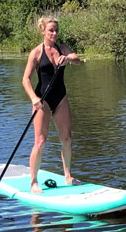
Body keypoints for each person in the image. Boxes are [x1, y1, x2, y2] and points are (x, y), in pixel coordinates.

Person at [22, 16, 82, 194]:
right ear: (43, 31)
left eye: (56, 30)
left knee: (67, 139)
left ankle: (68, 176)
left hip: (60, 97)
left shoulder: (62, 48)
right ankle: (33, 182)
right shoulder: (36, 53)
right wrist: (34, 98)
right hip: (42, 100)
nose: (54, 33)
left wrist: (68, 59)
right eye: (51, 31)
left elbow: (77, 59)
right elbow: (25, 79)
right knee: (40, 142)